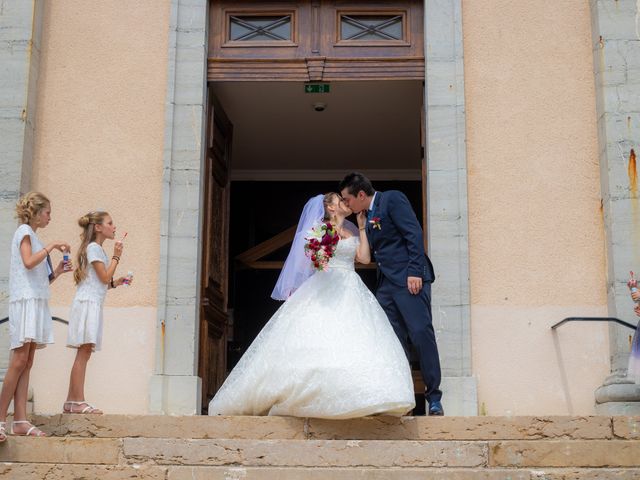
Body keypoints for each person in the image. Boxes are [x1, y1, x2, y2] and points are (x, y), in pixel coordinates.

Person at [208, 193, 415, 418]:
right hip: (326, 287)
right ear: (330, 207)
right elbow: (312, 262)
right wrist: (321, 252)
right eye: (339, 200)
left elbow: (364, 259)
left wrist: (363, 228)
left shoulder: (352, 230)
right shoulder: (321, 230)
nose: (345, 202)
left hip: (351, 287)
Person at [339, 172, 443, 416]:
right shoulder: (365, 215)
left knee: (420, 334)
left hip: (409, 280)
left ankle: (434, 397)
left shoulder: (393, 199)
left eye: (348, 199)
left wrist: (415, 271)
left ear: (361, 194)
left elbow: (413, 234)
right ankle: (402, 398)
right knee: (393, 342)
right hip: (386, 286)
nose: (347, 204)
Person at [0, 192, 72, 440]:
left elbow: (38, 278)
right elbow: (28, 262)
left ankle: (20, 420)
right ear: (36, 212)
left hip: (36, 300)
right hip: (25, 303)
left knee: (27, 361)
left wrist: (59, 272)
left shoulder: (34, 237)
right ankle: (0, 419)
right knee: (19, 360)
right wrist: (52, 246)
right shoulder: (24, 233)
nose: (50, 217)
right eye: (48, 212)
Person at [63, 211, 129, 414]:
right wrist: (117, 256)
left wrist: (115, 283)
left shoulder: (96, 249)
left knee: (85, 351)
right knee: (83, 352)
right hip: (87, 304)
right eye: (110, 223)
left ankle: (71, 401)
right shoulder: (93, 248)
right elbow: (103, 277)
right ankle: (77, 400)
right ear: (98, 227)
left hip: (92, 302)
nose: (114, 227)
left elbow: (101, 282)